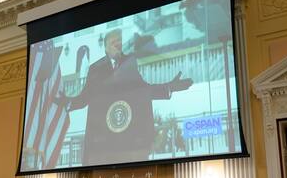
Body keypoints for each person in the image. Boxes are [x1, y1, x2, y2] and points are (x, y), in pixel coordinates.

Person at [57, 29, 193, 166]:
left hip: (127, 141)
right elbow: (84, 98)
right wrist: (68, 102)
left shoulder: (130, 63)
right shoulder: (95, 69)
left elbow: (144, 90)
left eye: (119, 42)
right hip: (102, 143)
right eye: (113, 42)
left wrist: (169, 87)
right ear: (105, 48)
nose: (118, 45)